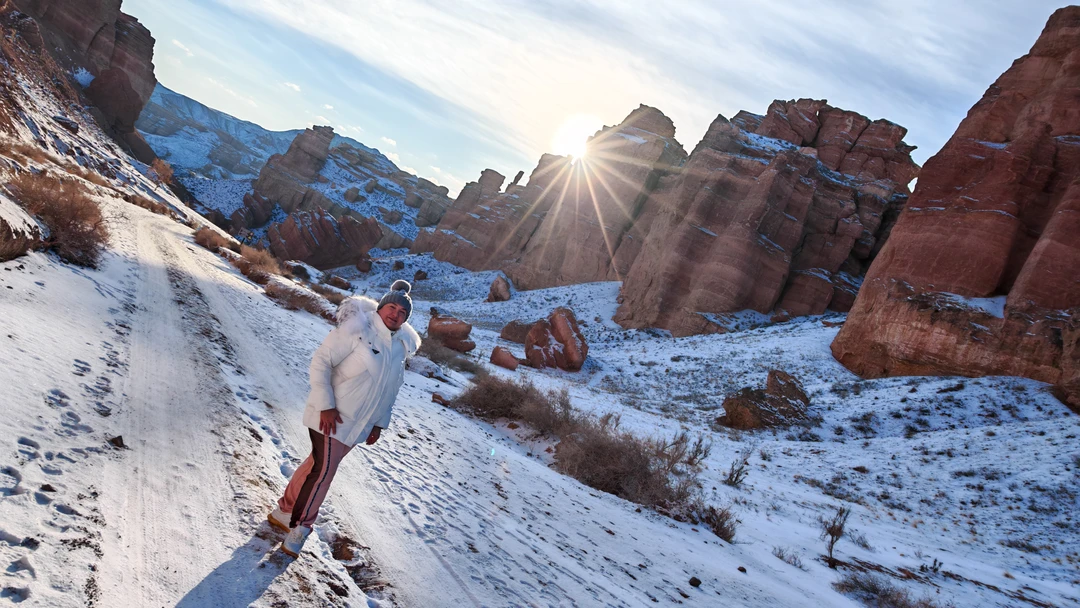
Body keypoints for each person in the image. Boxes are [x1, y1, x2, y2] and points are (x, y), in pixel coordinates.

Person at [269, 279, 421, 557]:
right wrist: (325, 404)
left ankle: (284, 510)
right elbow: (321, 362)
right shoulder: (358, 330)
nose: (395, 314)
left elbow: (390, 390)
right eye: (392, 307)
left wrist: (378, 424)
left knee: (316, 465)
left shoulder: (399, 347)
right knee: (324, 473)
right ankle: (301, 528)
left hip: (359, 426)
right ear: (381, 306)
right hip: (331, 415)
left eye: (402, 312)